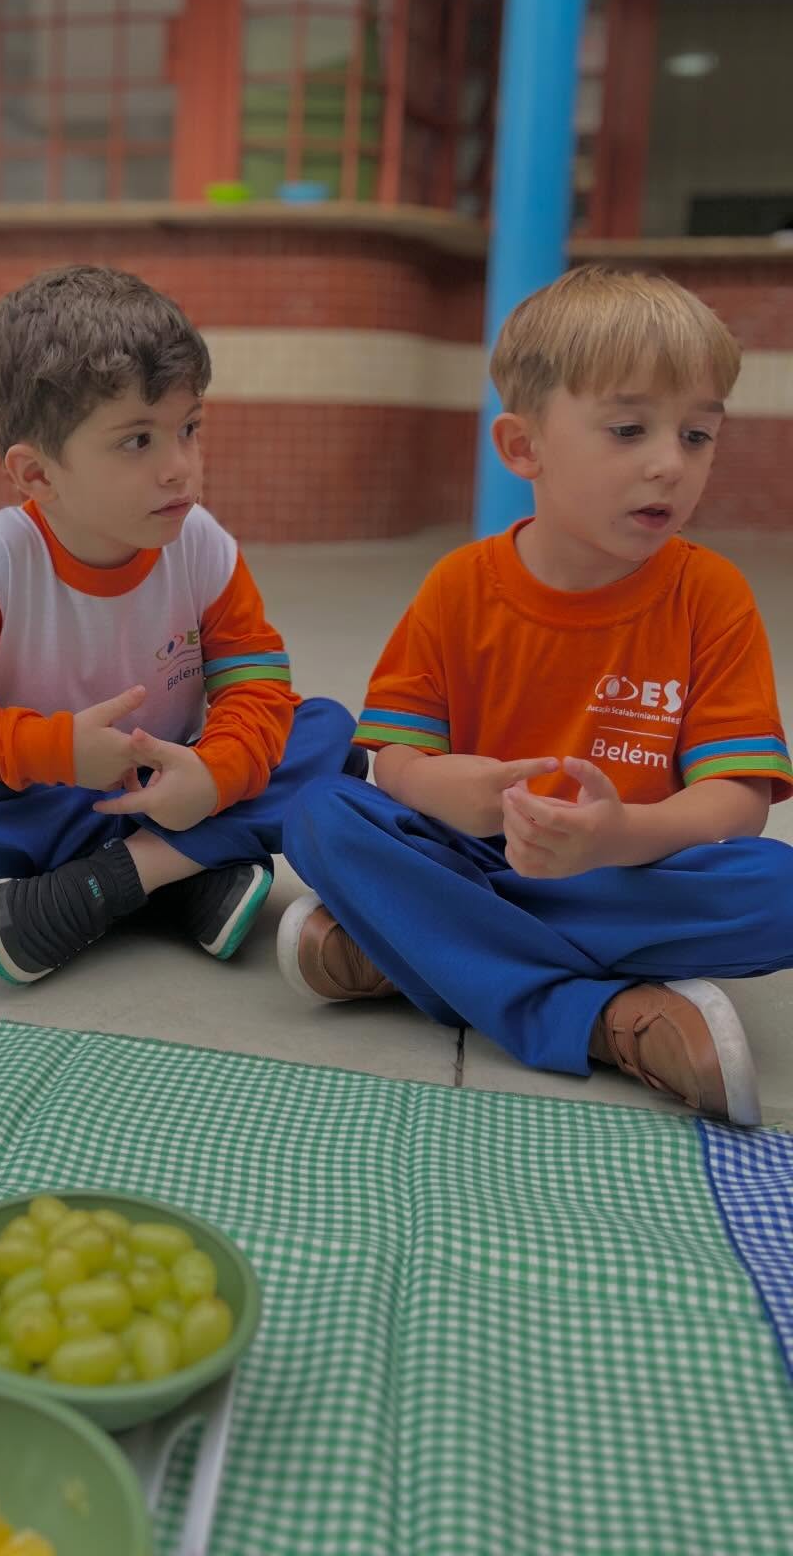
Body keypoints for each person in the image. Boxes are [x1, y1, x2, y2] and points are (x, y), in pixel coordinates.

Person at [279, 264, 792, 1124]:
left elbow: (737, 800)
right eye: (629, 429)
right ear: (524, 448)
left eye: (698, 436)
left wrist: (622, 832)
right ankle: (599, 1017)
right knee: (320, 810)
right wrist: (467, 794)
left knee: (776, 889)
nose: (670, 463)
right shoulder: (460, 585)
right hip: (472, 858)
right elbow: (396, 761)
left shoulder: (712, 596)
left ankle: (410, 949)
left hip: (629, 875)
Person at [0, 264, 362, 983]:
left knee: (331, 735)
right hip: (42, 788)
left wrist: (215, 775)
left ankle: (107, 884)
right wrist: (55, 749)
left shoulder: (203, 545)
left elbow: (257, 688)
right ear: (37, 475)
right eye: (139, 441)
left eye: (189, 428)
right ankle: (189, 869)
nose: (181, 468)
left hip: (180, 774)